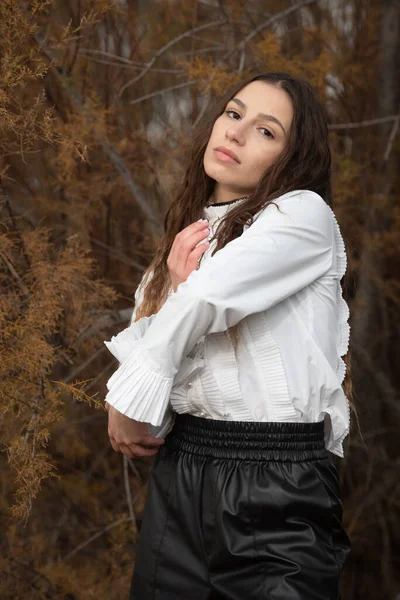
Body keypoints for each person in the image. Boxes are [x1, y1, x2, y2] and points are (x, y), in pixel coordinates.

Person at [104, 71, 352, 599]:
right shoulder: (183, 247)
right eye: (234, 114)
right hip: (180, 477)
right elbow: (155, 416)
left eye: (266, 131)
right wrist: (171, 287)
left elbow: (204, 303)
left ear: (293, 157)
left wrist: (123, 401)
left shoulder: (301, 215)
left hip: (275, 484)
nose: (236, 134)